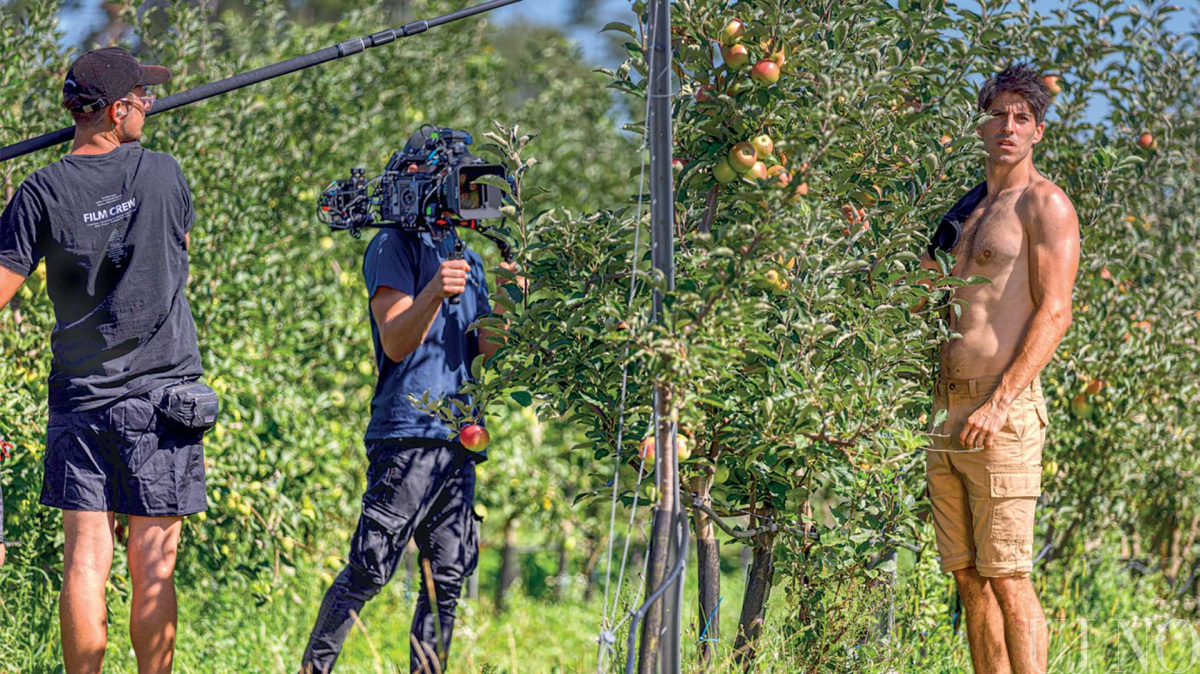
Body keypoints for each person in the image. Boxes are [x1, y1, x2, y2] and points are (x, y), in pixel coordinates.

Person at [0, 47, 209, 674]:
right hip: (163, 396)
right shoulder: (165, 175)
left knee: (86, 559)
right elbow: (181, 253)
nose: (148, 105)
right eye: (140, 98)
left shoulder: (41, 191)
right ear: (115, 111)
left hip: (81, 398)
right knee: (153, 565)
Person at [301, 194, 522, 672]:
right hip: (406, 435)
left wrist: (508, 297)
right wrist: (434, 292)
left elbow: (485, 351)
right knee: (370, 568)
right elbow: (396, 342)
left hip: (458, 441)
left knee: (447, 577)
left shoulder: (470, 257)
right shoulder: (393, 244)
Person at [919, 63, 1081, 674]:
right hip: (947, 406)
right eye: (997, 114)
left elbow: (1055, 311)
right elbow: (924, 298)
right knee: (967, 574)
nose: (1007, 126)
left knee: (1010, 575)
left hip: (1001, 409)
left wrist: (1001, 400)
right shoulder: (964, 213)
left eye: (1021, 117)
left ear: (1038, 130)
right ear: (981, 124)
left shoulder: (1045, 204)